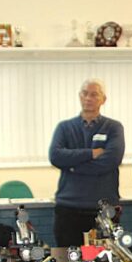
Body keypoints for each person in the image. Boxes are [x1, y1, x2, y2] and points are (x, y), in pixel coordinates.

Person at [48, 78, 125, 247]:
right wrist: (91, 153)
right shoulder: (64, 127)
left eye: (94, 94)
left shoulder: (113, 128)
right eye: (85, 93)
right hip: (68, 209)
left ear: (103, 100)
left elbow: (111, 161)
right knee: (69, 261)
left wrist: (73, 166)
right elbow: (55, 156)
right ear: (79, 96)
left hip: (103, 209)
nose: (88, 98)